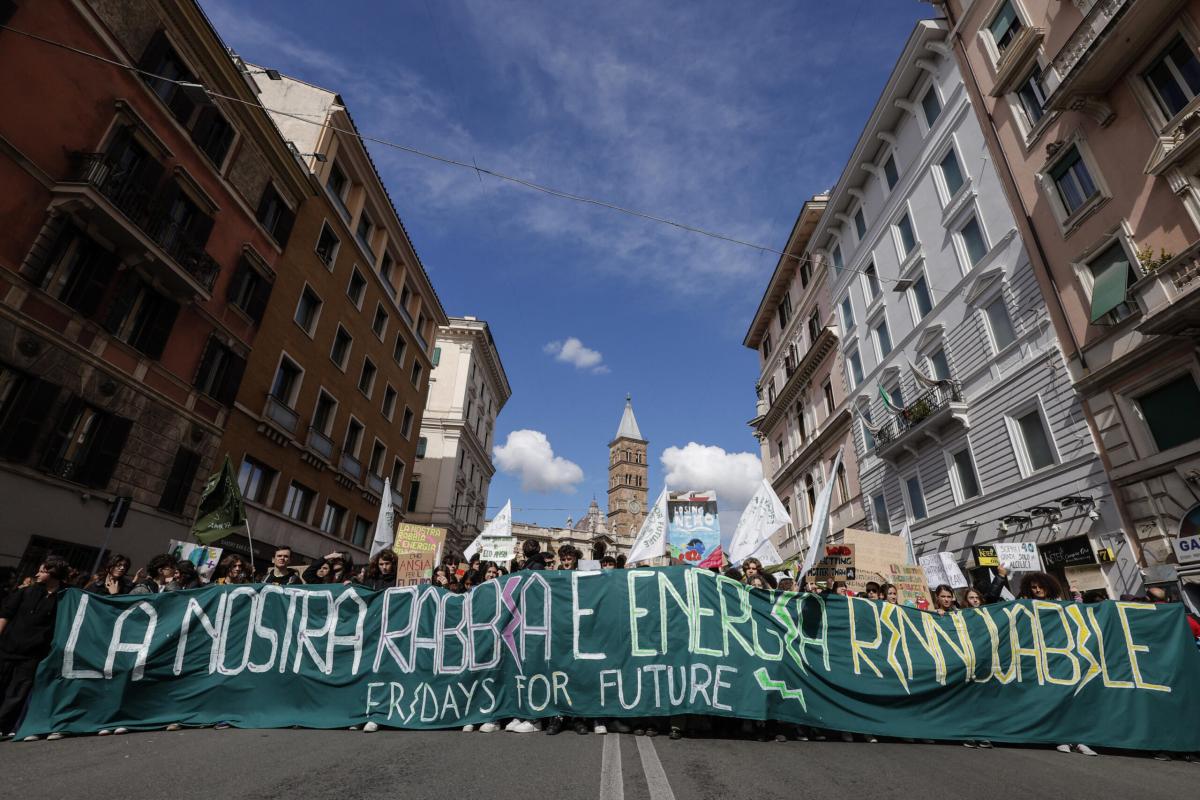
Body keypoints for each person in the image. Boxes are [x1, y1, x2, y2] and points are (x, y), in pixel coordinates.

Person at [0, 557, 68, 741]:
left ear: (53, 573)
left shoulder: (65, 598)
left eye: (42, 571)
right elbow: (5, 615)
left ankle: (3, 727)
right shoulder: (25, 592)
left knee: (17, 692)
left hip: (33, 655)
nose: (37, 574)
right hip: (7, 648)